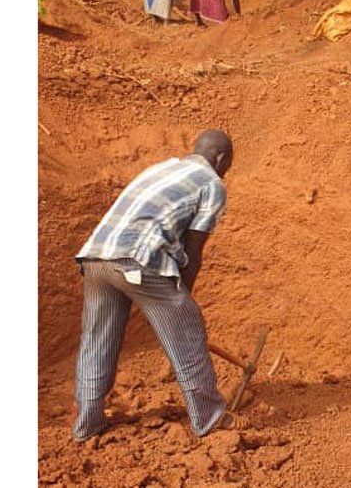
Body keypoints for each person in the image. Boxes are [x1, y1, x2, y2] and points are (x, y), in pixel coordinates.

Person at [71, 129, 245, 442]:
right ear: (221, 158)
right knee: (187, 327)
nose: (226, 171)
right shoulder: (211, 183)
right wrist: (182, 300)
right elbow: (194, 249)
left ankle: (87, 423)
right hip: (138, 258)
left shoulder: (160, 168)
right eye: (228, 165)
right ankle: (210, 418)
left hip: (95, 257)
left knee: (97, 338)